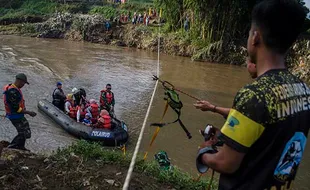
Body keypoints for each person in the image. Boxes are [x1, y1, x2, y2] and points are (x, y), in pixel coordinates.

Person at [196, 1, 310, 190]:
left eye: (249, 32)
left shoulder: (254, 95)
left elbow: (226, 163)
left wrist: (203, 153)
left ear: (255, 37)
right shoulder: (304, 91)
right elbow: (267, 138)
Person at [2, 73, 37, 151]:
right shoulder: (12, 92)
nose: (23, 85)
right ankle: (11, 147)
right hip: (14, 115)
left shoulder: (15, 89)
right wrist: (28, 112)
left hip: (19, 115)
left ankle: (21, 146)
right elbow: (15, 108)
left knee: (26, 131)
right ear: (19, 81)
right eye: (23, 83)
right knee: (22, 133)